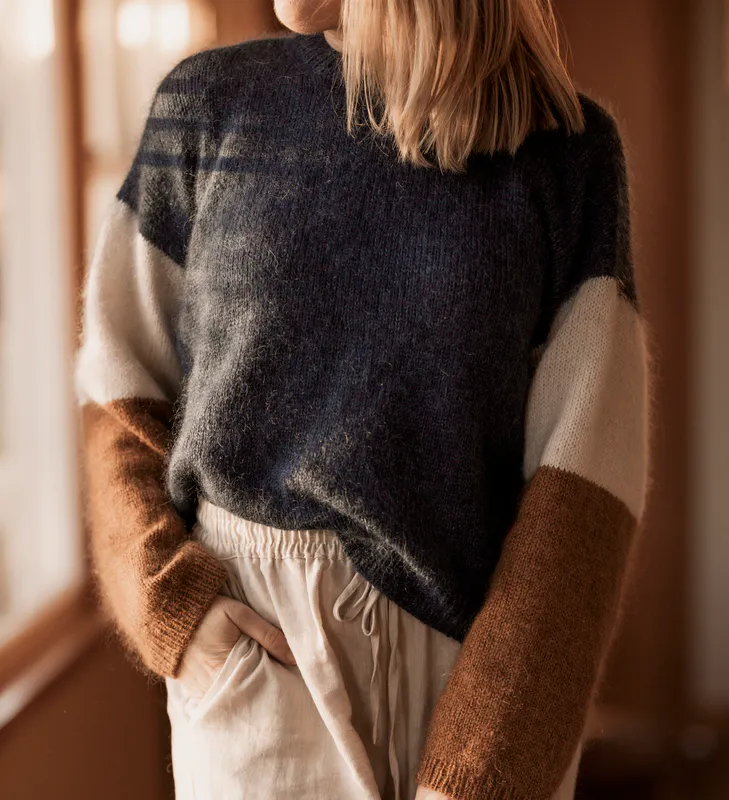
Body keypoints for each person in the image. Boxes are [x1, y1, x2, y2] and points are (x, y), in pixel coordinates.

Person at [74, 0, 650, 797]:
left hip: (474, 680)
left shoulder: (567, 156)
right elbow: (118, 387)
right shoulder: (207, 107)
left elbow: (586, 482)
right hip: (250, 661)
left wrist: (487, 757)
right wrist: (174, 607)